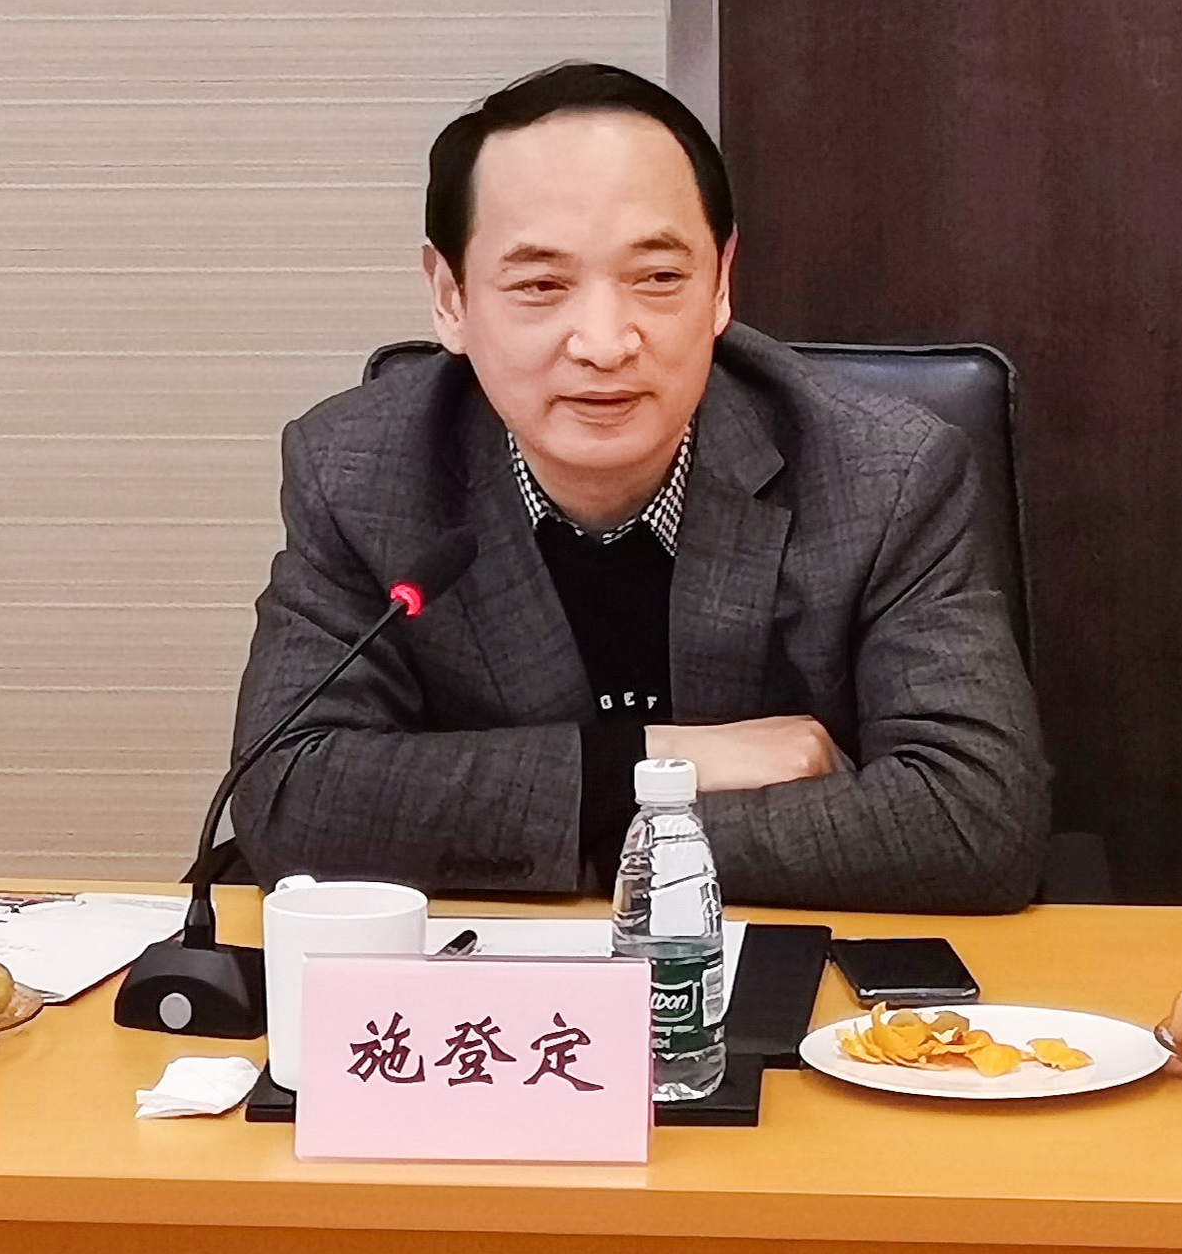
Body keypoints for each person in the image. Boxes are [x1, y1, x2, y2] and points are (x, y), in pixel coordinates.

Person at [229, 62, 1050, 909]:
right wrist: (657, 761)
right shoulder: (359, 470)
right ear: (449, 298)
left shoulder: (884, 473)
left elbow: (973, 820)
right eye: (540, 285)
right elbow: (289, 797)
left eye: (657, 278)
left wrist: (555, 829)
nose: (604, 342)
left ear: (720, 283)